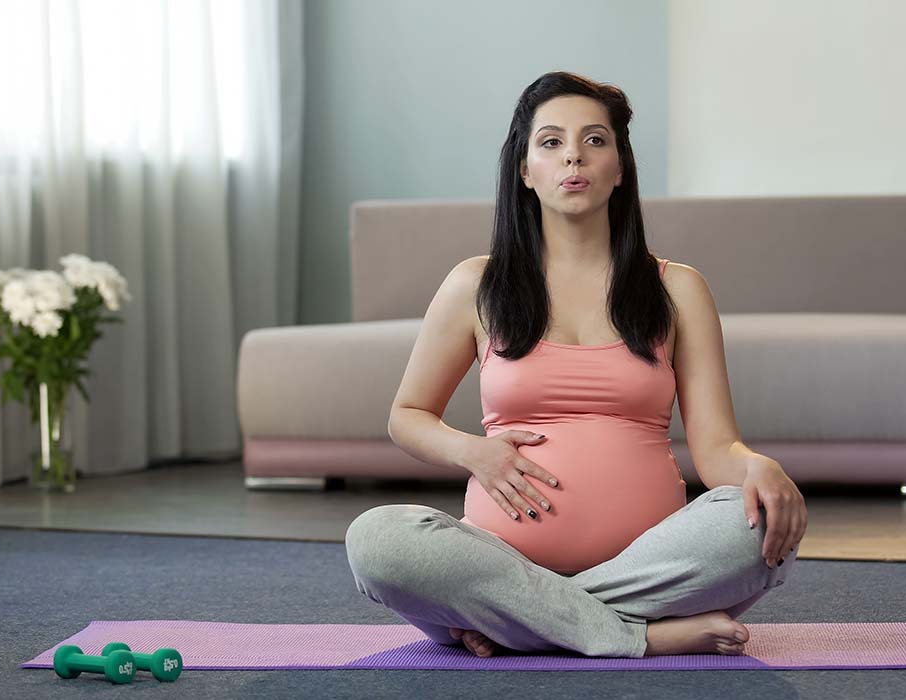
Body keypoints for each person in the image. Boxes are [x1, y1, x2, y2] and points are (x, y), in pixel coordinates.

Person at [345, 71, 808, 658]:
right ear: (525, 171)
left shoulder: (679, 289)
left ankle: (519, 626)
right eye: (551, 142)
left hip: (651, 564)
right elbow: (407, 414)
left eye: (595, 140)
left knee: (764, 521)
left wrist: (757, 468)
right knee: (379, 541)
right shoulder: (476, 284)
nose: (574, 156)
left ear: (620, 166)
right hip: (503, 558)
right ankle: (632, 634)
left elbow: (717, 450)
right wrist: (472, 451)